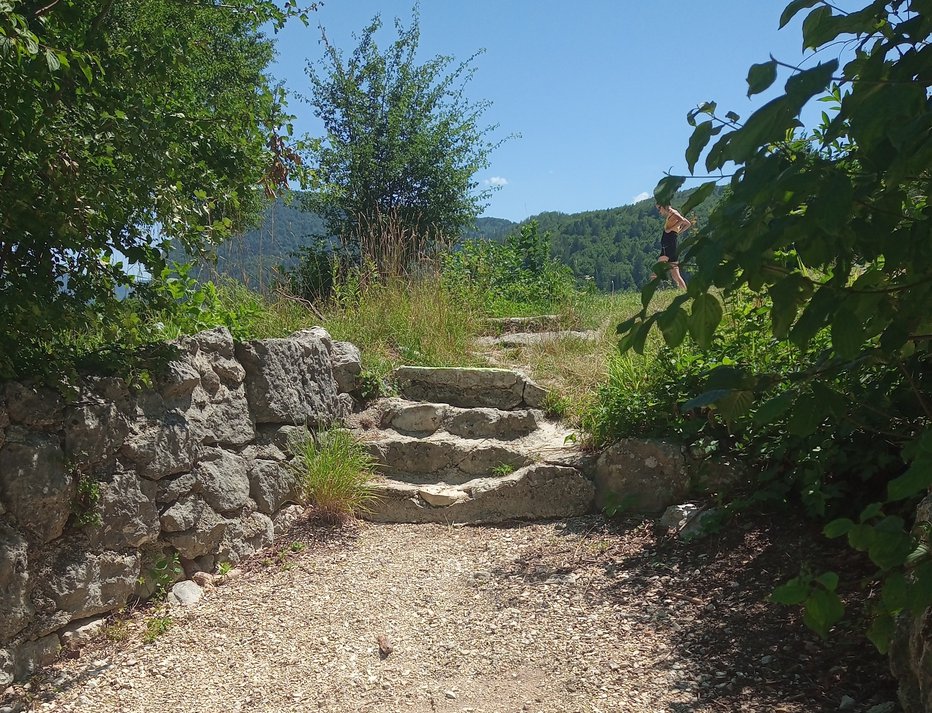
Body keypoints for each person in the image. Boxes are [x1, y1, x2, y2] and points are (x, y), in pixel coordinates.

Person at [653, 204, 690, 290]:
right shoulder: (671, 214)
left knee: (656, 270)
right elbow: (687, 223)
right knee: (676, 276)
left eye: (659, 208)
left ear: (664, 206)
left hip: (668, 246)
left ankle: (651, 292)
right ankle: (685, 291)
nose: (659, 211)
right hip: (671, 245)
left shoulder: (673, 213)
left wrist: (671, 229)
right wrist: (677, 231)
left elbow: (683, 221)